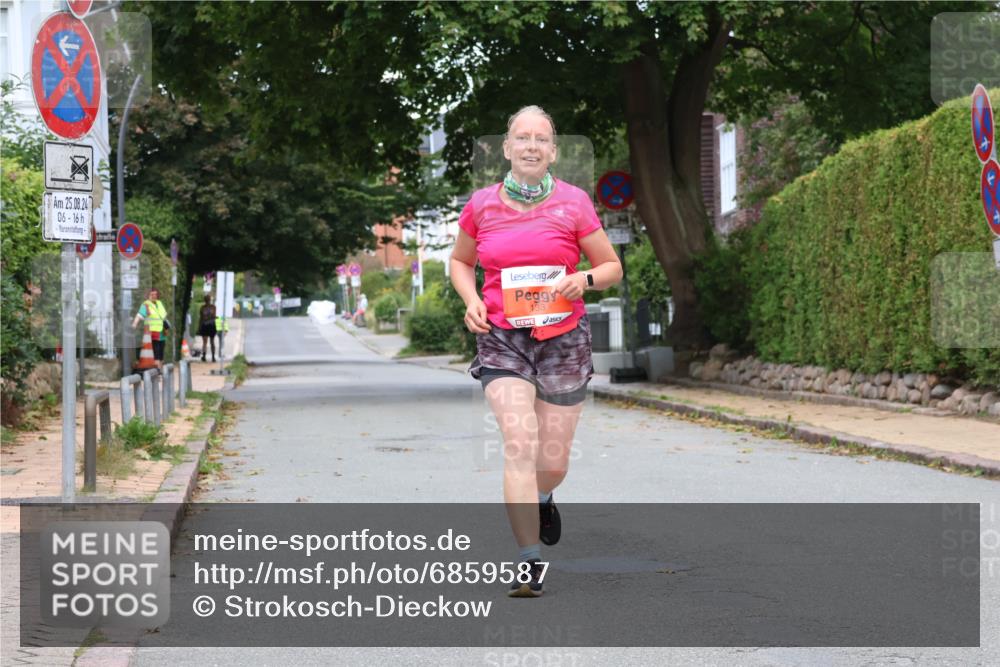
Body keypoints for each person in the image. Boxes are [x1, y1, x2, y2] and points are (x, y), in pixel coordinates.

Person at [449, 105, 622, 597]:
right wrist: (471, 301)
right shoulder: (481, 205)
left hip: (564, 339)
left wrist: (581, 279)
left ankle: (545, 494)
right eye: (521, 137)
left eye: (540, 139)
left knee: (552, 459)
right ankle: (528, 561)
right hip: (503, 337)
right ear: (506, 149)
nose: (530, 145)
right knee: (520, 444)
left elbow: (610, 267)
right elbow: (461, 262)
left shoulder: (574, 203)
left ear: (552, 152)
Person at [132, 287, 170, 370]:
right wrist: (134, 324)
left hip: (161, 332)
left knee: (161, 353)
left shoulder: (159, 303)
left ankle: (160, 370)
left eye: (155, 294)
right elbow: (139, 315)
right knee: (156, 352)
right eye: (152, 294)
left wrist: (166, 328)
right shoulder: (146, 305)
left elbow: (163, 317)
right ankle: (158, 371)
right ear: (148, 295)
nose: (154, 296)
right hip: (152, 332)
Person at [197, 294, 217, 362]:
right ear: (210, 300)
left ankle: (204, 356)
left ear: (204, 300)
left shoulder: (202, 308)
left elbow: (201, 319)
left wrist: (199, 327)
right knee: (212, 342)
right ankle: (213, 357)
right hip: (212, 325)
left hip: (204, 325)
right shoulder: (213, 307)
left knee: (204, 342)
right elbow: (214, 316)